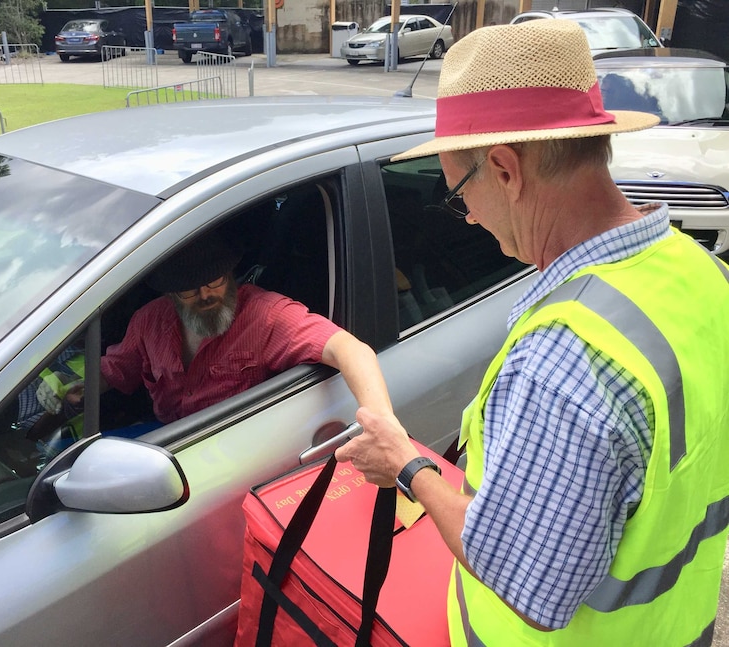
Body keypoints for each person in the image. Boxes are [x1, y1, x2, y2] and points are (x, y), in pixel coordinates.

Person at [335, 19, 729, 646]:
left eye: (458, 193)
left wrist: (407, 464)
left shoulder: (563, 361)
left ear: (506, 170)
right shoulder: (702, 272)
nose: (466, 216)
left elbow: (530, 586)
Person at [71, 229, 396, 428]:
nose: (206, 295)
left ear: (230, 275)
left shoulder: (266, 315)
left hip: (234, 455)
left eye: (215, 281)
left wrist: (382, 424)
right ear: (171, 294)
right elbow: (116, 370)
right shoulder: (149, 321)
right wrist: (77, 388)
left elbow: (349, 349)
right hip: (166, 441)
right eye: (189, 290)